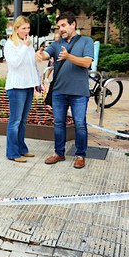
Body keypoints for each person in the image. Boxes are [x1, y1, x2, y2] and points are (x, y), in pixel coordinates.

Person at [36, 11, 94, 169]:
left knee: (80, 124)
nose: (61, 29)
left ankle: (80, 155)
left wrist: (69, 57)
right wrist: (40, 55)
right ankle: (59, 153)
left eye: (63, 25)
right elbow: (46, 55)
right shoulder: (56, 44)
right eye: (58, 26)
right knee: (59, 124)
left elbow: (87, 63)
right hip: (59, 92)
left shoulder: (86, 41)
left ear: (73, 24)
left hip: (79, 93)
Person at [4, 15, 40, 163]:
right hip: (16, 86)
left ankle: (22, 149)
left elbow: (32, 64)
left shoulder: (28, 43)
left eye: (28, 28)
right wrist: (25, 47)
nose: (27, 31)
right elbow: (15, 64)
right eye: (23, 28)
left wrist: (37, 82)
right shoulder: (10, 44)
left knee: (23, 120)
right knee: (15, 121)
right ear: (16, 29)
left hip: (28, 86)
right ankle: (12, 153)